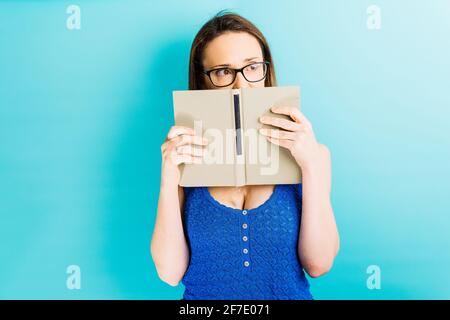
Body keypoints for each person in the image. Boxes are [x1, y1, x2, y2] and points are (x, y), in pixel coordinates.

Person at [151, 11, 340, 300]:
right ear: (203, 81)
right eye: (223, 72)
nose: (241, 85)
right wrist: (168, 181)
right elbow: (169, 273)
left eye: (252, 68)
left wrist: (311, 166)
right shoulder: (183, 159)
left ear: (266, 71)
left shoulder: (313, 156)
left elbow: (319, 264)